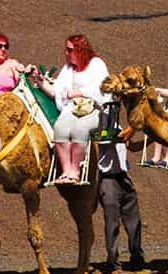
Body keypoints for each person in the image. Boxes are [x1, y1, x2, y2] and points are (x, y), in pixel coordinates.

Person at [42, 34, 109, 183]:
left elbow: (103, 88)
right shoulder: (68, 69)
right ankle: (66, 171)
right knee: (60, 128)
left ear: (80, 50)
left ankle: (75, 171)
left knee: (80, 129)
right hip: (71, 108)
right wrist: (39, 81)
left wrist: (79, 93)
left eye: (70, 50)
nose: (66, 53)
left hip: (92, 108)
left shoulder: (96, 64)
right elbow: (56, 91)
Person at [96, 138, 145, 274]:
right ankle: (113, 263)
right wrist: (134, 127)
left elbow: (132, 146)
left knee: (134, 221)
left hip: (123, 177)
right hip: (108, 179)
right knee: (112, 224)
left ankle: (137, 258)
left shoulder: (118, 127)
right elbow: (118, 137)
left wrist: (152, 139)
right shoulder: (104, 128)